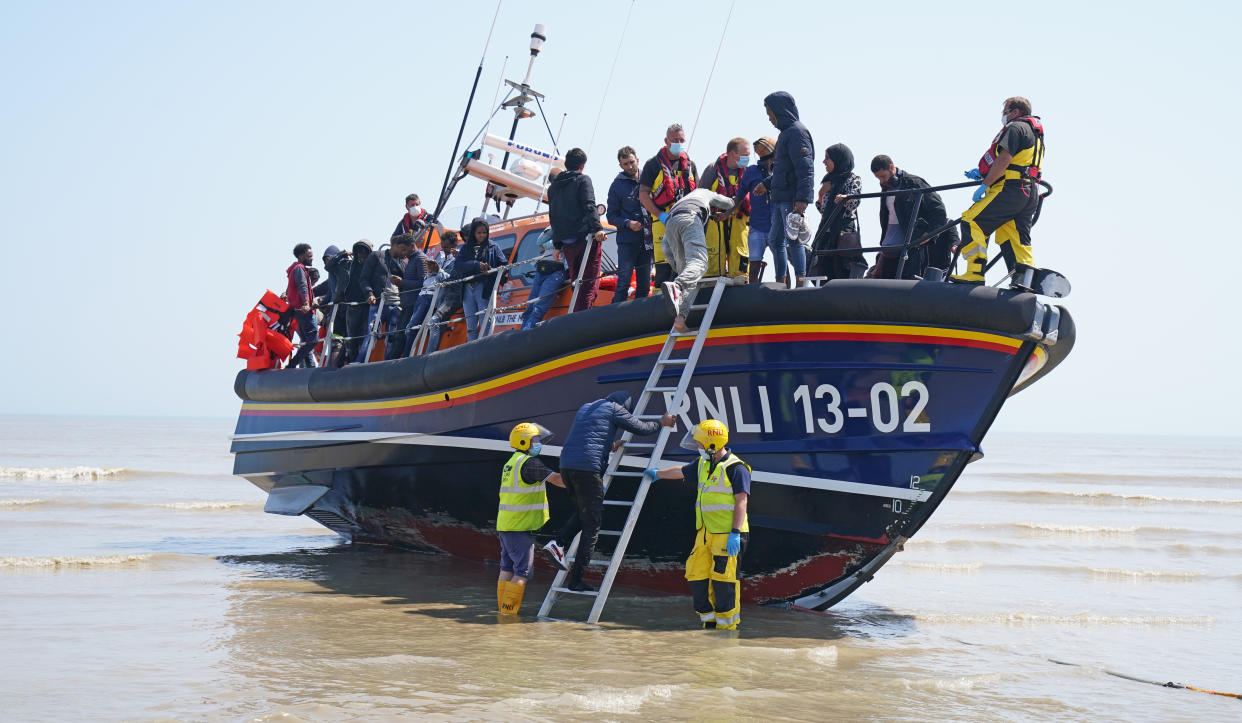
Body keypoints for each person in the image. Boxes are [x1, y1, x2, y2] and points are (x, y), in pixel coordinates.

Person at [542, 391, 676, 591]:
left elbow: (587, 438)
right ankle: (576, 579)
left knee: (583, 513)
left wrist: (611, 445)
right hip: (588, 469)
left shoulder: (586, 407)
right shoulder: (615, 409)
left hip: (567, 467)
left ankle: (558, 543)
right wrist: (661, 422)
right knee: (592, 525)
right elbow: (642, 428)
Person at [643, 419, 750, 630]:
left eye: (700, 444)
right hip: (705, 533)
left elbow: (742, 501)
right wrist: (658, 474)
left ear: (712, 444)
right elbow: (681, 471)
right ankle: (708, 626)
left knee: (724, 582)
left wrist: (735, 533)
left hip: (728, 535)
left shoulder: (736, 468)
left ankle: (727, 630)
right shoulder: (703, 464)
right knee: (696, 575)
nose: (698, 448)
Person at [953, 96, 1045, 285]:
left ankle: (975, 272)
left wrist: (986, 184)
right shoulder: (1035, 135)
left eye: (1006, 111)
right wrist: (983, 172)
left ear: (1016, 112)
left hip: (1009, 188)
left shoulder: (1015, 127)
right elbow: (1021, 162)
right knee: (1012, 234)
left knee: (971, 220)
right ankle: (1025, 277)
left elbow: (1005, 159)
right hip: (1029, 191)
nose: (1003, 116)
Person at [496, 422, 565, 615]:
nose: (538, 443)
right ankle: (509, 616)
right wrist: (583, 485)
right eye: (535, 439)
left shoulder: (511, 462)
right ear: (525, 441)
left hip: (506, 526)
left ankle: (502, 612)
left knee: (507, 567)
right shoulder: (529, 463)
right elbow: (557, 479)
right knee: (523, 571)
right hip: (518, 528)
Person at [658, 188, 742, 334]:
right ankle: (677, 285)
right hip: (690, 218)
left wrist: (676, 265)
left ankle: (680, 318)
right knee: (700, 262)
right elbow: (728, 203)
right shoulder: (705, 192)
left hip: (671, 224)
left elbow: (665, 246)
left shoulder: (683, 199)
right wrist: (737, 197)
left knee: (689, 274)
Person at [755, 92, 815, 287]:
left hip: (791, 198)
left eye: (770, 112)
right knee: (775, 240)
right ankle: (781, 280)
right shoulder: (786, 134)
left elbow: (805, 168)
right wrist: (767, 184)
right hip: (781, 198)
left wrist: (803, 198)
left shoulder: (797, 133)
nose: (769, 117)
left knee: (793, 240)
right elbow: (783, 169)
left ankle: (800, 281)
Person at [871, 155, 960, 279]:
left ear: (892, 167)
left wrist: (928, 234)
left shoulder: (915, 183)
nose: (881, 181)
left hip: (912, 247)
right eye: (878, 178)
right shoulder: (886, 188)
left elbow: (938, 210)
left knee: (907, 282)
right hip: (890, 247)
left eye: (883, 176)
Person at [638, 124, 698, 288]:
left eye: (681, 140)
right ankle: (659, 304)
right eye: (675, 140)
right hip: (662, 221)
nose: (679, 143)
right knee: (664, 268)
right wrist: (660, 215)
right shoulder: (653, 164)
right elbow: (643, 194)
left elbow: (697, 193)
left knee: (684, 266)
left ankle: (682, 303)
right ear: (666, 141)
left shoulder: (690, 165)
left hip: (686, 222)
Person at [548, 148, 607, 312]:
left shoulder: (553, 188)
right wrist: (598, 229)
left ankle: (576, 315)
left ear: (566, 164)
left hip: (567, 243)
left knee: (577, 282)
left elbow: (554, 217)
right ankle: (580, 320)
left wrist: (557, 246)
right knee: (588, 284)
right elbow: (589, 205)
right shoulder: (583, 180)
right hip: (584, 239)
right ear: (582, 166)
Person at [355, 234, 419, 362]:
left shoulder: (404, 264)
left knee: (392, 337)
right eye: (401, 249)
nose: (404, 253)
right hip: (378, 303)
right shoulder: (376, 256)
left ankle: (386, 364)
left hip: (397, 305)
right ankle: (359, 361)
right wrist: (370, 294)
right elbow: (364, 278)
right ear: (394, 245)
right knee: (371, 333)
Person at [697, 138, 752, 282]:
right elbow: (700, 195)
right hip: (715, 221)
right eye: (745, 154)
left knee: (740, 256)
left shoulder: (749, 172)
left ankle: (740, 283)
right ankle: (711, 286)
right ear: (733, 154)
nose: (748, 158)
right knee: (713, 255)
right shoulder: (712, 169)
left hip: (739, 221)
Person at [810, 143, 865, 281]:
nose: (824, 162)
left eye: (827, 158)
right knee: (822, 267)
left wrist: (845, 198)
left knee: (842, 268)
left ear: (838, 159)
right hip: (826, 231)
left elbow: (855, 201)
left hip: (843, 231)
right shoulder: (827, 181)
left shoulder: (853, 179)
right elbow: (823, 210)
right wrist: (821, 195)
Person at [605, 146, 653, 303]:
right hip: (627, 241)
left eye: (632, 162)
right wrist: (628, 223)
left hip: (647, 241)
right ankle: (614, 319)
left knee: (645, 285)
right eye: (626, 164)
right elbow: (611, 216)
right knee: (623, 283)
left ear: (637, 160)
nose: (630, 166)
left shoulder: (649, 179)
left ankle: (641, 321)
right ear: (621, 166)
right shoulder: (617, 186)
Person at [453, 219, 505, 341]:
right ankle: (472, 349)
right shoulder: (466, 248)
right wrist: (476, 265)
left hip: (484, 288)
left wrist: (491, 270)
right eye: (479, 233)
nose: (482, 235)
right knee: (471, 325)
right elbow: (458, 265)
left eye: (484, 232)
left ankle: (486, 347)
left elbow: (504, 265)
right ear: (473, 233)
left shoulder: (493, 247)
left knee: (486, 321)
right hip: (467, 289)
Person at [737, 137, 779, 283]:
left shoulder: (781, 171)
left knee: (781, 266)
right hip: (757, 226)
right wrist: (726, 213)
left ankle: (786, 296)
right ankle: (753, 294)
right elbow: (739, 196)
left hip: (778, 226)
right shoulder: (751, 171)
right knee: (754, 264)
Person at [423, 230, 462, 354]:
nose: (444, 249)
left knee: (435, 320)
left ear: (454, 245)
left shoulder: (459, 258)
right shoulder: (442, 257)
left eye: (446, 247)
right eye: (442, 247)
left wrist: (438, 270)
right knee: (437, 325)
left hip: (453, 296)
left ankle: (430, 354)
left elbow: (453, 279)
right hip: (441, 295)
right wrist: (432, 271)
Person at [520, 230, 566, 329]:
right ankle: (522, 332)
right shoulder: (555, 228)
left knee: (539, 306)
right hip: (541, 271)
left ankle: (527, 331)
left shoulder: (569, 230)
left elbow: (563, 243)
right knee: (530, 306)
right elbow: (540, 242)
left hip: (556, 272)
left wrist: (549, 245)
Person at [339, 239, 373, 364]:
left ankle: (363, 360)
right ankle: (352, 359)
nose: (361, 255)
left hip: (367, 304)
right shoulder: (349, 265)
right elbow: (329, 266)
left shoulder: (373, 265)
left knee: (365, 334)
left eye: (364, 252)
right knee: (351, 336)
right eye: (358, 252)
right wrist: (342, 254)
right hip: (352, 305)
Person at [285, 243, 319, 368]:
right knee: (313, 340)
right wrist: (306, 303)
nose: (312, 259)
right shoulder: (299, 269)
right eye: (309, 256)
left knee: (306, 341)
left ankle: (310, 367)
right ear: (301, 256)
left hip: (297, 311)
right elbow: (303, 286)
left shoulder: (295, 269)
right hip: (304, 311)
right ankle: (293, 364)